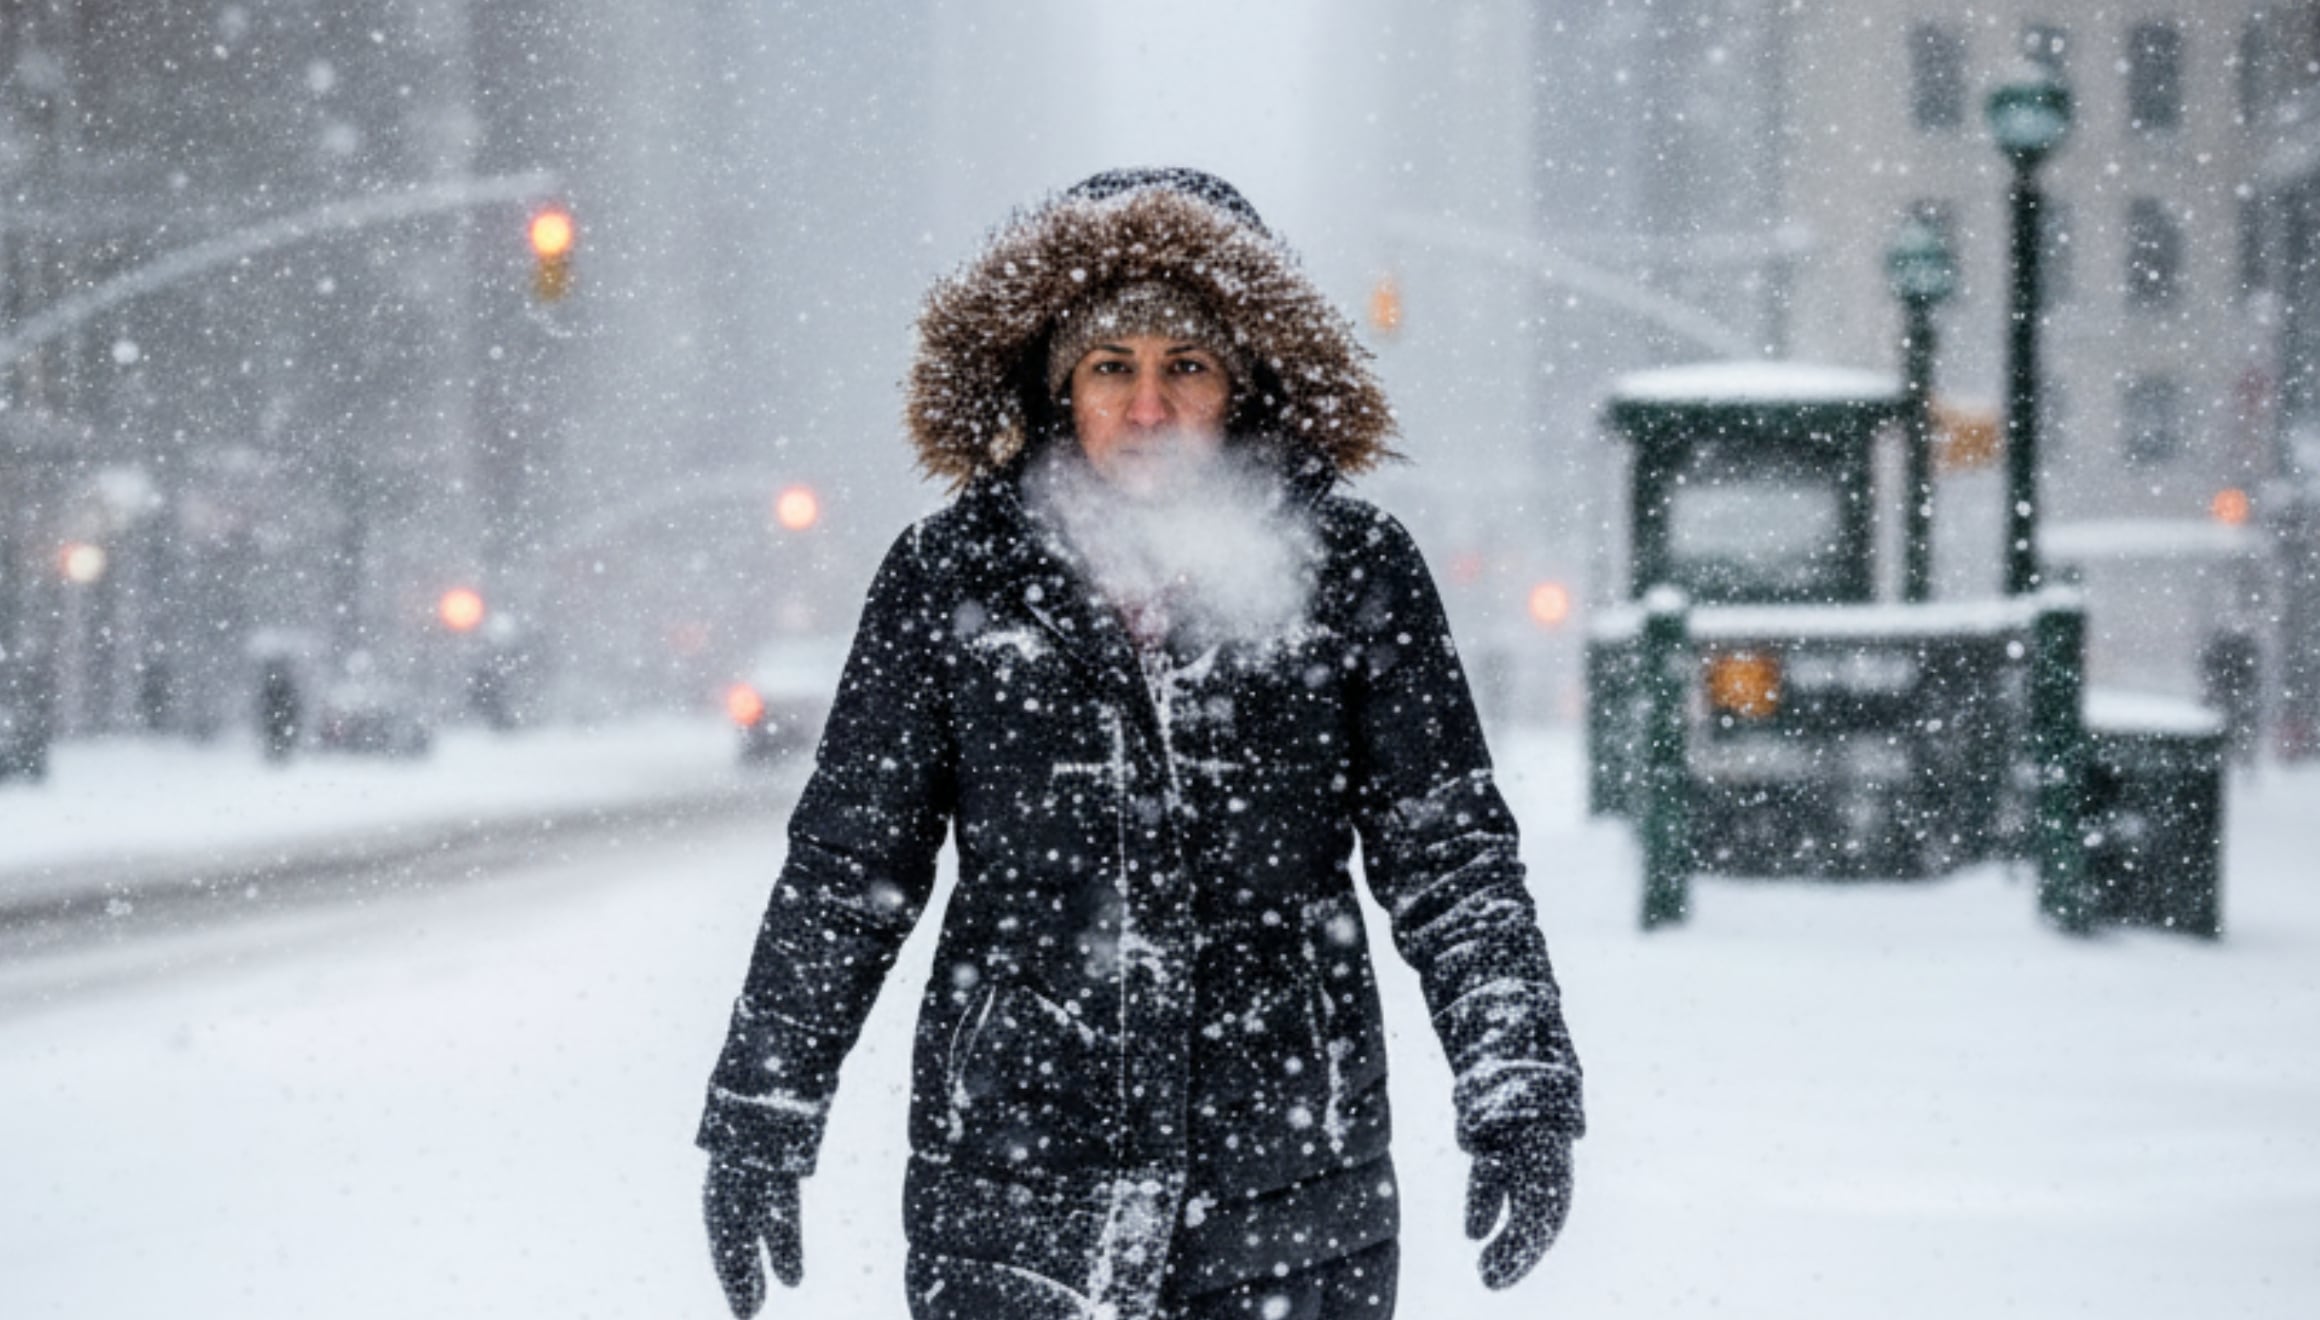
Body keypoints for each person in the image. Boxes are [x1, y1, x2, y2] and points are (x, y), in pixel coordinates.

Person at [697, 167, 1584, 1320]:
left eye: (1188, 366)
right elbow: (846, 871)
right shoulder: (951, 579)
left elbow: (1451, 860)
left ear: (1246, 385)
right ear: (1058, 387)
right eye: (1112, 367)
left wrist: (1515, 1084)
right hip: (1015, 1184)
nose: (1149, 406)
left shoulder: (1353, 570)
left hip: (1289, 1184)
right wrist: (764, 1111)